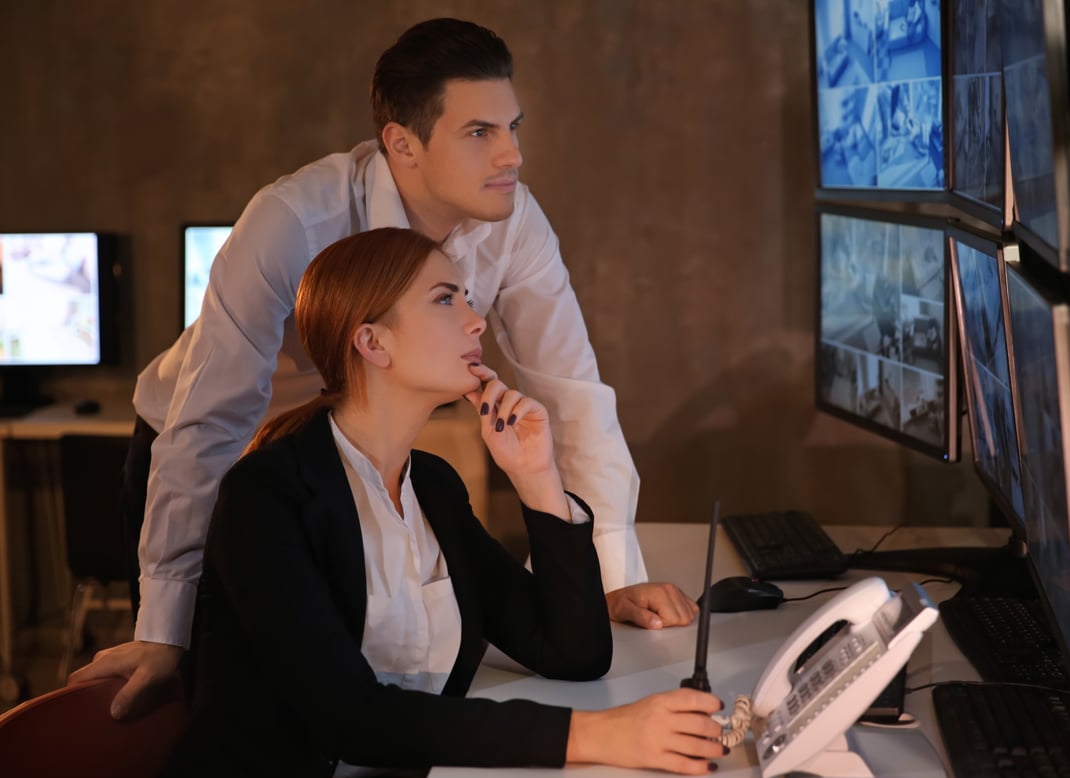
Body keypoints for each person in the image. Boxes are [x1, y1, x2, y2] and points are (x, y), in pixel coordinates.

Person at [71, 17, 696, 719]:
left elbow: (571, 388)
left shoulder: (513, 222)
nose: (513, 155)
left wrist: (611, 576)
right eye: (480, 132)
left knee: (344, 690)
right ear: (403, 143)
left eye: (513, 127)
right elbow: (209, 422)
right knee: (227, 698)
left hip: (348, 454)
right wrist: (165, 630)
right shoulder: (293, 221)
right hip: (218, 457)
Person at [148, 228, 725, 778]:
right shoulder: (267, 497)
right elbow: (349, 718)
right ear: (373, 343)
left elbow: (573, 653)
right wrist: (599, 735)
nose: (475, 320)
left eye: (467, 299)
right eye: (446, 299)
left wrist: (536, 477)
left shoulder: (433, 485)